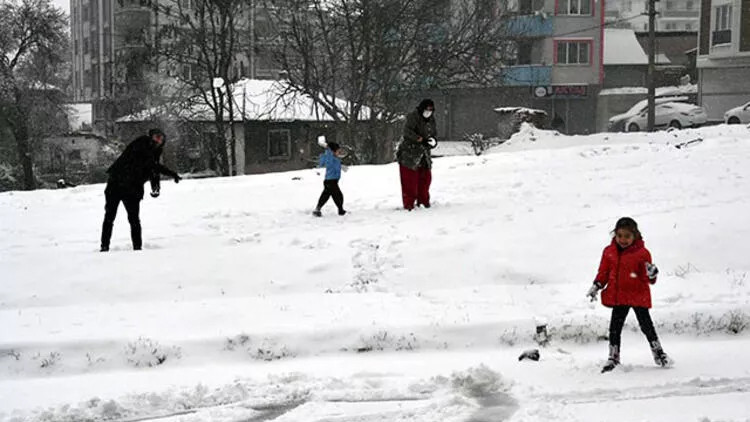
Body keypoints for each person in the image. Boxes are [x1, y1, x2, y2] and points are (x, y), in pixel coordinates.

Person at [586, 217, 671, 372]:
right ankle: (613, 357)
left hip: (638, 295)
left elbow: (647, 278)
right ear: (615, 235)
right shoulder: (609, 252)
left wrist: (651, 274)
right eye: (619, 236)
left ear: (635, 235)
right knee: (614, 328)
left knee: (647, 326)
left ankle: (659, 353)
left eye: (627, 236)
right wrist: (597, 285)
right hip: (620, 297)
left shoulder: (642, 253)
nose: (623, 240)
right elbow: (603, 272)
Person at [100, 128, 181, 252]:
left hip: (132, 187)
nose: (158, 140)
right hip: (116, 183)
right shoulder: (142, 142)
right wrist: (171, 173)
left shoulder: (156, 151)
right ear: (151, 136)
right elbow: (151, 164)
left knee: (134, 219)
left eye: (161, 138)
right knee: (110, 217)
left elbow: (153, 169)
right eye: (156, 137)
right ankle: (104, 247)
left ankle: (137, 248)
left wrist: (155, 187)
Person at [397, 99, 436, 210]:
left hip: (424, 154)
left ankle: (423, 201)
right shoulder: (413, 117)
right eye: (427, 109)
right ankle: (409, 204)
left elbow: (433, 133)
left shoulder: (431, 119)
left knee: (425, 179)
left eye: (431, 110)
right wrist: (419, 139)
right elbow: (407, 132)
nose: (428, 112)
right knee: (410, 182)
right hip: (409, 154)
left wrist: (433, 141)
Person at [313, 141, 347, 217]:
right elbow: (327, 162)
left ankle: (317, 209)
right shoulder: (329, 156)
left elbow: (333, 165)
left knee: (326, 196)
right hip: (331, 181)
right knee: (338, 196)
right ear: (333, 151)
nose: (339, 152)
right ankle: (341, 210)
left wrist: (341, 166)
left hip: (331, 181)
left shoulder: (333, 157)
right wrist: (328, 149)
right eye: (338, 151)